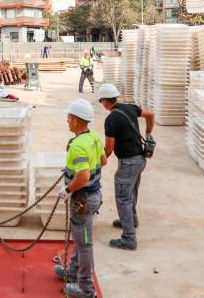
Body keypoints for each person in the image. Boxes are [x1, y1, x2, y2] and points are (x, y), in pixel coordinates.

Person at [54, 99, 104, 298]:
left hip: (82, 200)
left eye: (68, 117)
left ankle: (86, 288)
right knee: (80, 237)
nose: (67, 121)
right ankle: (73, 272)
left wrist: (68, 189)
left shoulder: (77, 146)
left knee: (85, 244)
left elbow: (83, 176)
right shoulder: (94, 138)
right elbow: (103, 161)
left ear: (75, 120)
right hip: (94, 195)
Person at [96, 83, 155, 251]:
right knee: (131, 193)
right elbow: (150, 115)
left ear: (106, 101)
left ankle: (129, 238)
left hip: (128, 163)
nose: (103, 105)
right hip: (140, 160)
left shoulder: (111, 119)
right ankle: (131, 220)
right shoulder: (130, 108)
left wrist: (97, 164)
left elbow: (108, 149)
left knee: (123, 198)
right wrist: (149, 133)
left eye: (102, 102)